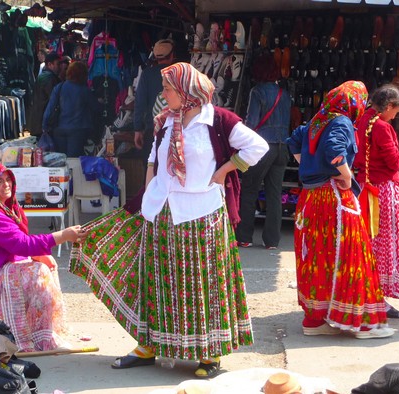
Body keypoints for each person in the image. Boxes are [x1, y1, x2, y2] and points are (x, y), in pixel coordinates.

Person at [70, 62, 268, 378]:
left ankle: (208, 353)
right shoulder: (166, 121)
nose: (163, 94)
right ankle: (150, 345)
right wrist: (148, 196)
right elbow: (153, 160)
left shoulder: (217, 120)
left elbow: (258, 146)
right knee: (158, 283)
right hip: (162, 213)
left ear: (186, 91)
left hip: (201, 215)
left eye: (167, 89)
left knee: (202, 285)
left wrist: (225, 169)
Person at [285, 80, 394, 339]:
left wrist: (308, 168)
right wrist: (344, 174)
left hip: (310, 198)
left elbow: (293, 142)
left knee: (318, 257)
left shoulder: (316, 121)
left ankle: (316, 320)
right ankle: (361, 323)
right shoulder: (342, 122)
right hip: (334, 198)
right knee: (351, 255)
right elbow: (335, 151)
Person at [0, 163, 85, 351]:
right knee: (37, 272)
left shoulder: (5, 208)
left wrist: (40, 254)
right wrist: (63, 236)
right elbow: (21, 244)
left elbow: (14, 244)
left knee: (41, 264)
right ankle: (32, 338)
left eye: (8, 179)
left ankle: (42, 333)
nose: (6, 185)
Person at [352, 84, 399, 319]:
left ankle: (365, 291)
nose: (396, 116)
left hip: (364, 189)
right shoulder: (381, 126)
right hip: (383, 193)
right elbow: (391, 159)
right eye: (396, 111)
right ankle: (378, 297)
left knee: (368, 242)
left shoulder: (362, 120)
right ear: (388, 106)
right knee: (384, 243)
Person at [236, 53, 291, 250]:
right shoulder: (284, 94)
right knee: (274, 194)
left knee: (249, 190)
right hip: (282, 147)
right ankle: (272, 241)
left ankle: (244, 237)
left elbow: (251, 123)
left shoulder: (256, 92)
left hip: (261, 148)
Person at [42, 61, 98, 157]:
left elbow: (50, 108)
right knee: (73, 160)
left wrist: (44, 125)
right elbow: (95, 108)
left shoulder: (59, 87)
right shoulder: (84, 90)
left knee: (61, 159)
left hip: (59, 129)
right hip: (78, 130)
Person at [132, 39, 176, 161]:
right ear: (172, 55)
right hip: (176, 130)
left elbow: (139, 103)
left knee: (150, 169)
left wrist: (138, 130)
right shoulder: (178, 74)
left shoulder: (147, 74)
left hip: (152, 130)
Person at [32, 52, 62, 136]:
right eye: (57, 64)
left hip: (39, 120)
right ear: (50, 64)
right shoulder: (49, 78)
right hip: (45, 122)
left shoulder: (44, 76)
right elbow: (53, 100)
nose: (59, 67)